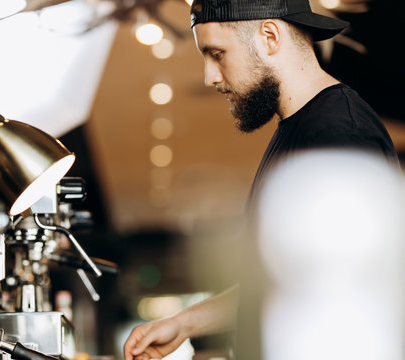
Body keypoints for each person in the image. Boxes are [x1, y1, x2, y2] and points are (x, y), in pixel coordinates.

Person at [123, 0, 399, 359]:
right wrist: (185, 323)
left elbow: (346, 311)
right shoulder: (303, 129)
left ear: (269, 36)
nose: (210, 76)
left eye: (217, 53)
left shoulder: (338, 137)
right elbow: (283, 281)